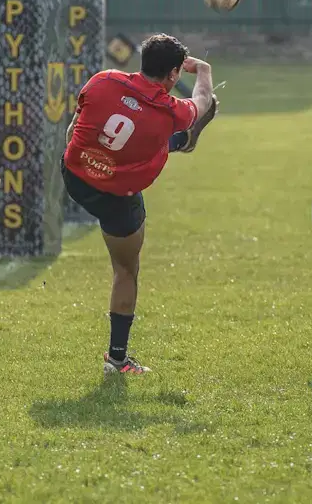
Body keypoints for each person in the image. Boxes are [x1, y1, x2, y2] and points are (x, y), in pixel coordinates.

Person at [62, 33, 218, 375]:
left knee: (103, 135)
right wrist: (203, 70)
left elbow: (75, 124)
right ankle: (118, 359)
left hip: (75, 177)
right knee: (125, 270)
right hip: (118, 197)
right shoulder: (172, 108)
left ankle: (170, 143)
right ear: (174, 75)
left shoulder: (102, 79)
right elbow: (204, 101)